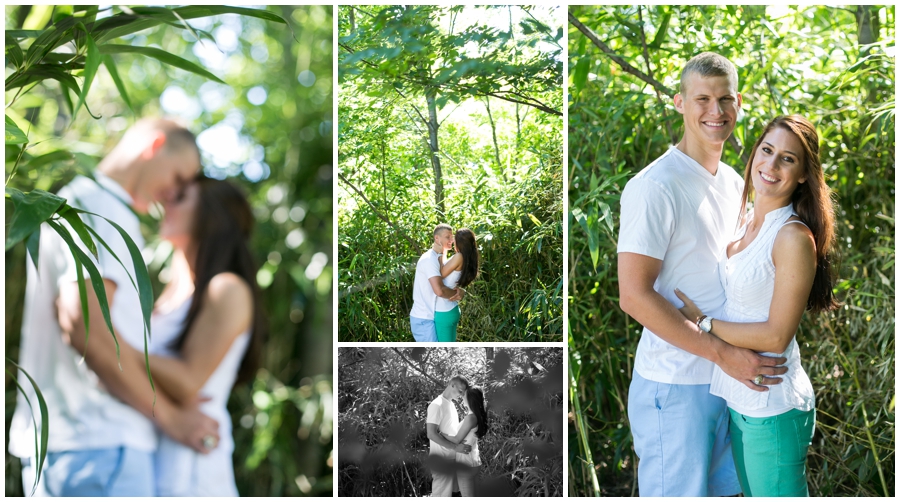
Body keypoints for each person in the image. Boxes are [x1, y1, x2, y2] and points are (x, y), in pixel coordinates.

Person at [9, 118, 219, 497]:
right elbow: (85, 327)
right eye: (178, 177)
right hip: (100, 445)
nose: (174, 194)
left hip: (80, 446)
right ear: (154, 146)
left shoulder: (83, 203)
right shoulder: (101, 208)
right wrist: (173, 421)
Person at [616, 52, 788, 496]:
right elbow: (634, 296)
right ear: (679, 103)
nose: (716, 111)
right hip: (676, 384)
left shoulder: (735, 181)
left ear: (739, 103)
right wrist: (719, 352)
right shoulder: (654, 186)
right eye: (702, 99)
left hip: (729, 379)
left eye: (725, 99)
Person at [674, 115, 837, 496]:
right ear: (754, 153)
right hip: (741, 395)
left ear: (802, 175)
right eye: (767, 150)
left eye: (787, 159)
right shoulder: (745, 220)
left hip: (774, 404)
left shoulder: (793, 237)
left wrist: (703, 322)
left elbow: (776, 336)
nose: (771, 164)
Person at [145, 176, 265, 495]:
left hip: (193, 462)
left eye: (180, 198)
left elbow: (188, 380)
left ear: (212, 217)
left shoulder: (226, 288)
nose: (165, 204)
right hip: (159, 445)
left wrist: (109, 343)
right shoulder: (171, 294)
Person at [410, 224, 463, 342]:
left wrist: (460, 291)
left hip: (431, 316)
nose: (452, 240)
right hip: (424, 318)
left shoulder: (440, 257)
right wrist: (458, 295)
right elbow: (440, 291)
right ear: (437, 239)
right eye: (447, 237)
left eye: (452, 236)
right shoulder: (429, 259)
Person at [425, 375, 472, 497]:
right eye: (460, 391)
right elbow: (431, 433)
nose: (461, 395)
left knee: (455, 494)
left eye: (463, 393)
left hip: (452, 458)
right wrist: (455, 447)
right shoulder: (437, 404)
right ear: (452, 384)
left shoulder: (451, 404)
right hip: (441, 459)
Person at [440, 385, 489, 497]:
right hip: (473, 461)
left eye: (465, 396)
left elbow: (457, 439)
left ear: (471, 399)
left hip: (466, 463)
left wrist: (441, 433)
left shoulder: (471, 418)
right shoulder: (475, 416)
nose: (462, 398)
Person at [435, 228, 480, 342]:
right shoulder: (466, 257)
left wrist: (440, 251)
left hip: (443, 312)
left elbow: (440, 274)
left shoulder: (459, 257)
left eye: (453, 239)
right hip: (450, 309)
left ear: (459, 243)